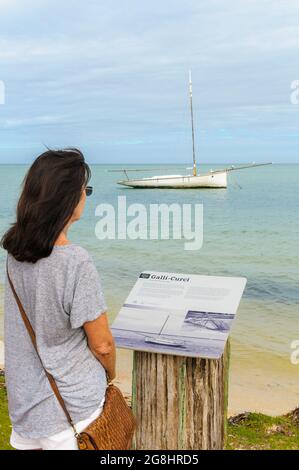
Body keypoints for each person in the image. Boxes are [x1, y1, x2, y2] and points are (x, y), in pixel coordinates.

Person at [1, 148, 116, 450]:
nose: (85, 197)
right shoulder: (75, 261)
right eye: (85, 190)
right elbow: (102, 344)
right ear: (68, 198)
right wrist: (110, 376)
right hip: (72, 411)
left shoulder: (15, 255)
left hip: (25, 408)